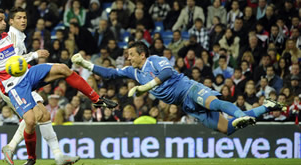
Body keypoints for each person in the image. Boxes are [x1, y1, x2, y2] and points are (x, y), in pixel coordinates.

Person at [0, 8, 116, 165]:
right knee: (32, 120)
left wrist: (31, 54)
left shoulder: (8, 37)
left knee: (63, 69)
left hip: (27, 74)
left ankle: (96, 100)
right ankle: (31, 155)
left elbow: (17, 58)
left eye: (5, 20)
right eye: (1, 20)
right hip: (13, 86)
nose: (4, 23)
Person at [72, 42, 285, 135]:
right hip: (185, 105)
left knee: (215, 103)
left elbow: (166, 74)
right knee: (227, 129)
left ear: (142, 54)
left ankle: (239, 114)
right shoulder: (132, 71)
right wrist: (84, 64)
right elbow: (110, 73)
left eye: (131, 54)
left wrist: (145, 87)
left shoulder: (155, 60)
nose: (128, 57)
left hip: (188, 88)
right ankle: (266, 107)